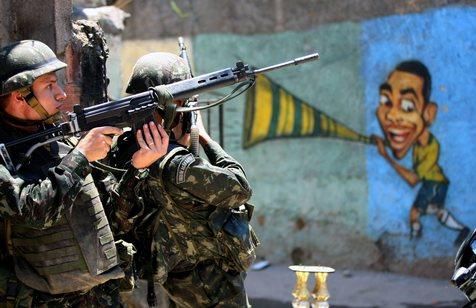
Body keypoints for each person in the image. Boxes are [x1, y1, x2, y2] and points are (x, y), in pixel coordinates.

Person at [0, 40, 168, 306]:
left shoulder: (59, 141)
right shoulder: (5, 153)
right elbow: (31, 211)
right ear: (20, 95)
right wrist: (80, 157)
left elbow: (114, 216)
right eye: (48, 85)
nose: (61, 94)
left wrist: (138, 168)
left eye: (57, 83)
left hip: (97, 296)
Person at [109, 52, 259, 307]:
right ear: (176, 108)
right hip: (212, 284)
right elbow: (240, 187)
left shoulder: (126, 150)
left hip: (174, 275)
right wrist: (206, 139)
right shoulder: (179, 165)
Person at [374, 60, 470, 246]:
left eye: (408, 106)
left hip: (435, 184)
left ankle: (414, 242)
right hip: (436, 184)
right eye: (386, 101)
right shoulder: (418, 142)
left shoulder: (431, 148)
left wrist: (385, 155)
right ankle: (461, 230)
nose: (392, 116)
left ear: (429, 114)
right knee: (438, 212)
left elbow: (413, 179)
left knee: (415, 213)